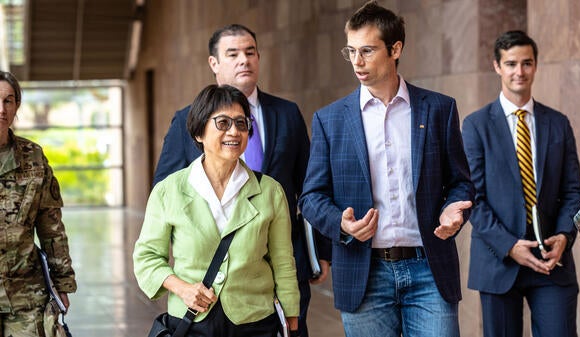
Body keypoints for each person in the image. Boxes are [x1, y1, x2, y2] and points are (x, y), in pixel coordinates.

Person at [298, 2, 474, 337]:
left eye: (366, 50)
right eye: (350, 51)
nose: (357, 61)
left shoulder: (439, 109)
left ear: (395, 49)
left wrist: (456, 209)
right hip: (364, 274)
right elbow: (311, 197)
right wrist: (341, 223)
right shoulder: (330, 119)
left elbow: (461, 183)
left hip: (429, 270)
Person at [152, 23, 330, 337]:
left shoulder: (287, 113)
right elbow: (165, 193)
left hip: (285, 260)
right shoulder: (187, 118)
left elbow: (311, 187)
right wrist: (179, 277)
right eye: (232, 54)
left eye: (250, 52)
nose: (243, 60)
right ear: (214, 64)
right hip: (212, 277)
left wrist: (322, 252)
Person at [134, 84, 300, 337]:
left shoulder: (270, 191)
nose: (234, 131)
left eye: (241, 123)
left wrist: (291, 317)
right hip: (191, 322)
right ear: (199, 132)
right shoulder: (169, 191)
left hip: (255, 322)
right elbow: (147, 258)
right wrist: (182, 288)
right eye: (222, 123)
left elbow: (282, 261)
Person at [462, 30, 580, 337]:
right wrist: (509, 246)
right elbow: (472, 197)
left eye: (527, 63)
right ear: (497, 66)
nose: (519, 72)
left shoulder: (558, 123)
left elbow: (573, 190)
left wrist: (564, 236)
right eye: (511, 63)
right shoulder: (476, 126)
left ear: (535, 65)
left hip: (551, 263)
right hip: (499, 260)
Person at [0, 70, 77, 335]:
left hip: (26, 297)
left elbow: (51, 227)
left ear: (17, 106)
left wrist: (62, 284)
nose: (1, 109)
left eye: (8, 101)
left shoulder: (33, 157)